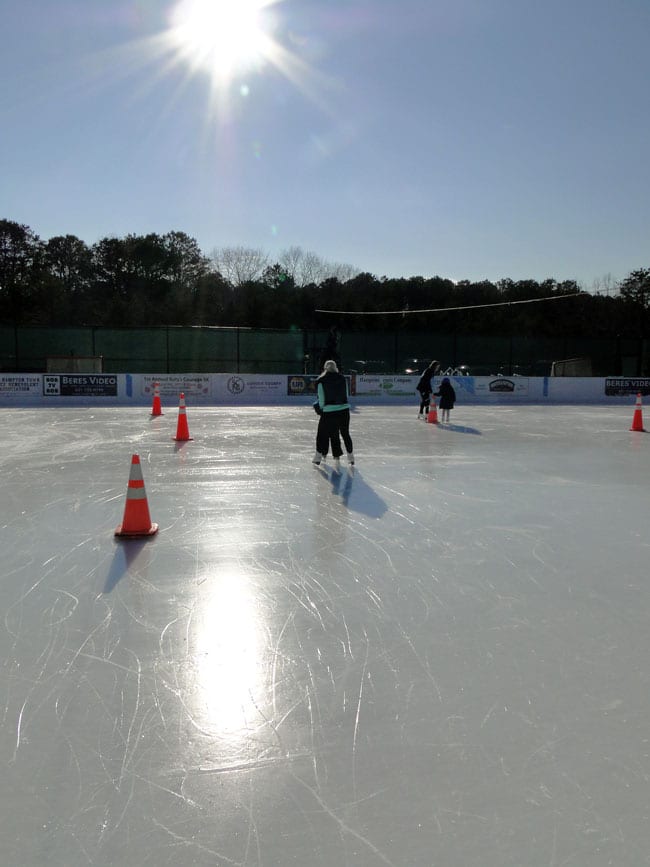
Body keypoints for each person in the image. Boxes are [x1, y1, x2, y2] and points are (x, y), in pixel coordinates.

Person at [312, 359, 354, 469]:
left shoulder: (321, 380)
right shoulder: (342, 378)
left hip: (329, 412)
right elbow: (346, 395)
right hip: (344, 410)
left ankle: (318, 457)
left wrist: (321, 409)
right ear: (335, 367)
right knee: (345, 433)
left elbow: (321, 398)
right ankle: (351, 457)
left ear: (325, 368)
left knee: (321, 434)